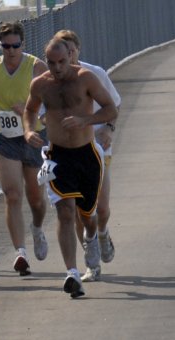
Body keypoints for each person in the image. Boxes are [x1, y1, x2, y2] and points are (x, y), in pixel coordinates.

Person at [23, 38, 118, 297]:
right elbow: (29, 110)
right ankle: (72, 273)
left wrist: (86, 120)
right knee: (65, 211)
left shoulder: (86, 77)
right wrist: (29, 131)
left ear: (71, 56)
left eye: (62, 61)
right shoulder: (41, 83)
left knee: (88, 215)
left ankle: (91, 237)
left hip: (87, 155)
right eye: (52, 63)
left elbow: (111, 110)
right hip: (57, 156)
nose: (57, 67)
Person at [0, 21, 48, 276]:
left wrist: (30, 110)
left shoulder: (36, 66)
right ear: (0, 45)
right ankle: (21, 253)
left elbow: (50, 101)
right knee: (12, 195)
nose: (10, 50)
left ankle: (37, 229)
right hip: (5, 139)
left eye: (15, 45)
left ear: (23, 44)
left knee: (36, 199)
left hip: (34, 137)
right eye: (5, 46)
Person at [53, 30, 121, 282]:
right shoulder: (50, 81)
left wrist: (108, 130)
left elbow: (114, 106)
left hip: (98, 150)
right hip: (68, 154)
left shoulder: (95, 74)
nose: (66, 57)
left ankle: (102, 234)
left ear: (78, 50)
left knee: (101, 209)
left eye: (70, 51)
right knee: (81, 211)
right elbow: (39, 113)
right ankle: (91, 264)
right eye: (61, 53)